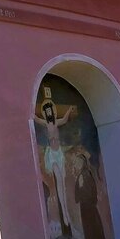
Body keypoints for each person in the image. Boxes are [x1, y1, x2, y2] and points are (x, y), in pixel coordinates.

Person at [34, 94, 75, 227]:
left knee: (63, 181)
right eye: (46, 111)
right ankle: (64, 213)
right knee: (59, 181)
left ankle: (67, 212)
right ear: (45, 113)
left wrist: (69, 110)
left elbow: (64, 119)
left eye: (50, 110)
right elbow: (35, 118)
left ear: (52, 111)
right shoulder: (46, 123)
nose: (48, 112)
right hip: (52, 154)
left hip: (59, 153)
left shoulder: (56, 122)